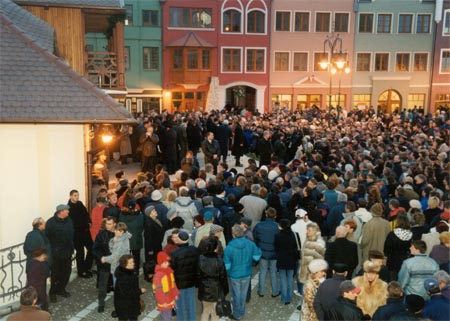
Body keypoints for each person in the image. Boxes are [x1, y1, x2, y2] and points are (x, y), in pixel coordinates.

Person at [224, 225, 262, 320]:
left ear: (233, 235)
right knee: (243, 293)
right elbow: (257, 256)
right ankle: (241, 311)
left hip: (234, 275)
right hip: (247, 272)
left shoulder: (229, 247)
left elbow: (227, 265)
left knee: (236, 294)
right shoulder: (250, 244)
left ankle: (237, 314)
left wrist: (229, 271)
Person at [45, 204, 74, 303]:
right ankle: (52, 292)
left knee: (66, 272)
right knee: (55, 274)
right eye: (66, 210)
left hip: (67, 252)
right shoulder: (50, 223)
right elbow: (47, 238)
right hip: (56, 253)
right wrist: (52, 250)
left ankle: (61, 289)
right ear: (60, 212)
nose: (68, 212)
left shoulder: (69, 220)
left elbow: (71, 233)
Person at [170, 230, 200, 321]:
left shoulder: (175, 254)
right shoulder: (195, 250)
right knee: (191, 304)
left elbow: (172, 269)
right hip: (191, 282)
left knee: (180, 306)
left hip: (179, 284)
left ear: (179, 240)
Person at [197, 236, 229, 321]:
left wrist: (199, 285)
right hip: (216, 290)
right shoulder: (219, 260)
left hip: (204, 289)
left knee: (206, 311)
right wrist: (225, 290)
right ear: (215, 248)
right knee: (215, 313)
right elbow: (223, 278)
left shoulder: (200, 258)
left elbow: (198, 275)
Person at [253, 207, 280, 298]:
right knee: (273, 272)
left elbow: (255, 237)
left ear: (266, 214)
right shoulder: (277, 226)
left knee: (263, 271)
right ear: (275, 216)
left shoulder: (259, 225)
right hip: (274, 253)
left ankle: (261, 291)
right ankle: (275, 291)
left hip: (263, 252)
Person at [92, 216, 116, 313]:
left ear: (114, 224)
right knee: (103, 285)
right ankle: (101, 303)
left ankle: (118, 304)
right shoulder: (101, 234)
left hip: (116, 263)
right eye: (106, 223)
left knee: (118, 284)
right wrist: (101, 257)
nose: (107, 226)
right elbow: (95, 249)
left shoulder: (119, 233)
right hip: (105, 263)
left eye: (109, 224)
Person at [68, 189, 94, 279]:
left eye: (77, 195)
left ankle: (87, 267)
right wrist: (84, 224)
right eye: (75, 195)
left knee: (92, 248)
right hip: (77, 233)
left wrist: (89, 221)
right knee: (80, 252)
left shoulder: (80, 204)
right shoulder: (69, 207)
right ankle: (81, 271)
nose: (77, 197)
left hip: (85, 231)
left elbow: (86, 214)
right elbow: (73, 222)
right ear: (71, 196)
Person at [114, 254, 146, 321]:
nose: (133, 264)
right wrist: (140, 291)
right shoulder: (122, 277)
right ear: (125, 265)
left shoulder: (131, 272)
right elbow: (126, 292)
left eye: (133, 262)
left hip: (132, 302)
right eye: (131, 263)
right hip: (124, 305)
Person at [274, 218, 298, 305]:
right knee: (290, 278)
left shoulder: (278, 235)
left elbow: (276, 248)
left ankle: (284, 297)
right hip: (291, 258)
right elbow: (296, 247)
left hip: (281, 259)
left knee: (283, 278)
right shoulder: (293, 235)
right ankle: (290, 297)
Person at [153, 251, 179, 321]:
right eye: (165, 262)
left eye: (168, 262)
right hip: (164, 301)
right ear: (160, 263)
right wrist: (162, 301)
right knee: (166, 317)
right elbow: (158, 290)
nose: (167, 264)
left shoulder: (169, 271)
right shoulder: (158, 275)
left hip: (170, 298)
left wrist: (176, 294)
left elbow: (173, 284)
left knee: (168, 316)